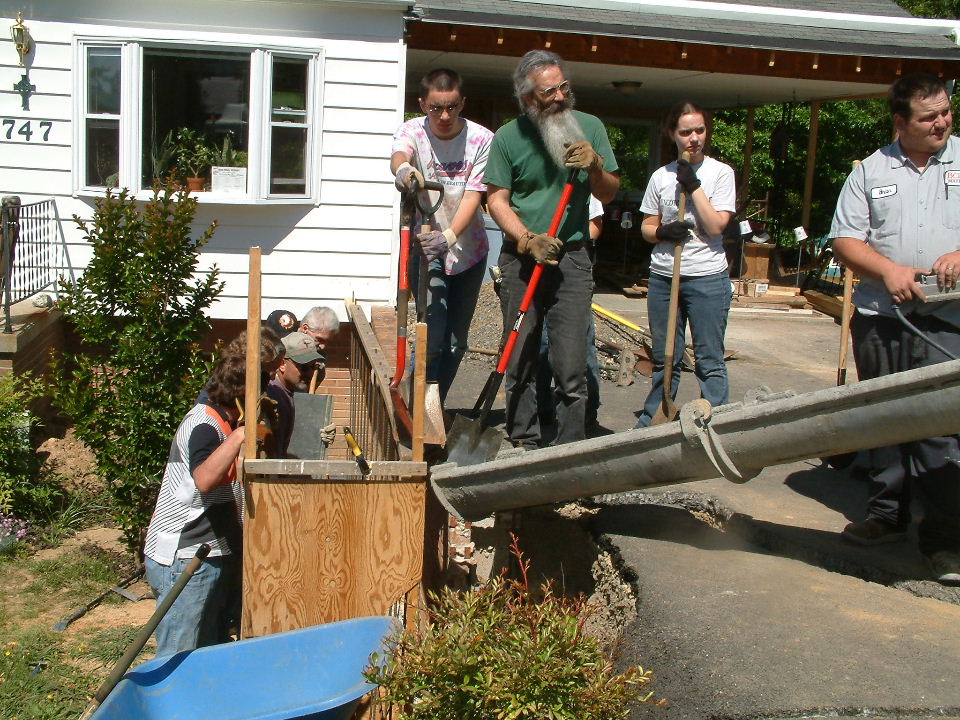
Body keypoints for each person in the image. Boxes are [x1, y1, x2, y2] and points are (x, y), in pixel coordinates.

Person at [830, 72, 960, 585]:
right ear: (901, 122)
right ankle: (887, 516)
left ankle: (945, 538)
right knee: (883, 418)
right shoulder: (870, 171)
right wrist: (888, 271)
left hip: (948, 320)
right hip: (882, 318)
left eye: (946, 112)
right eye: (929, 117)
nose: (942, 122)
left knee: (939, 426)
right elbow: (845, 239)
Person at [484, 50, 619, 449]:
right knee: (520, 355)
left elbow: (609, 193)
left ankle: (569, 448)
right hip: (521, 259)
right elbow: (496, 200)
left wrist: (595, 165)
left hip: (572, 257)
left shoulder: (589, 128)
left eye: (564, 86)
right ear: (527, 97)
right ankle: (523, 441)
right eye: (549, 91)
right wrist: (527, 239)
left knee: (571, 362)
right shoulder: (508, 137)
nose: (560, 96)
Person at [143, 338, 253, 658]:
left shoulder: (224, 422)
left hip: (208, 555)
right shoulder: (203, 424)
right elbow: (204, 479)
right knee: (178, 656)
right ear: (242, 396)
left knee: (202, 655)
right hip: (184, 558)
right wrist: (239, 437)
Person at [390, 69, 495, 401]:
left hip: (469, 250)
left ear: (462, 103)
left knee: (456, 342)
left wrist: (448, 237)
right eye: (436, 108)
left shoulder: (482, 139)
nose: (445, 116)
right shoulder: (412, 130)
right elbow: (400, 154)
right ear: (423, 104)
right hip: (425, 246)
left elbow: (474, 195)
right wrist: (404, 169)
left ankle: (433, 406)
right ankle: (415, 407)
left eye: (452, 107)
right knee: (431, 337)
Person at [633, 100, 736, 429]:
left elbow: (716, 226)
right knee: (665, 356)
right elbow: (647, 227)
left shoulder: (720, 173)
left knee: (709, 358)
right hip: (664, 277)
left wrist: (693, 186)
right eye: (686, 132)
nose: (694, 138)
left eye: (700, 130)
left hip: (707, 277)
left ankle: (717, 421)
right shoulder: (660, 177)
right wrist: (663, 232)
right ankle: (654, 417)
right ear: (672, 134)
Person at [537, 196, 605, 430]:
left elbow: (595, 225)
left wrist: (568, 244)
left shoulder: (582, 184)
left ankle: (586, 412)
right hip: (536, 263)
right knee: (540, 342)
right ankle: (542, 409)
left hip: (572, 266)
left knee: (580, 343)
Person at [265, 331, 329, 457]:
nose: (310, 373)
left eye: (313, 366)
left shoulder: (286, 393)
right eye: (304, 367)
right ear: (282, 364)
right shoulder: (272, 395)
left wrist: (318, 433)